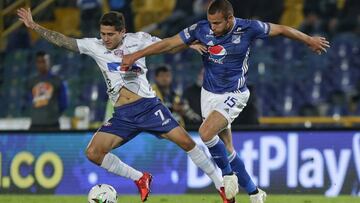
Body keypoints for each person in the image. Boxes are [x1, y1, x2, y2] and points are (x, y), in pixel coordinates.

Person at [17, 8, 234, 203]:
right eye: (103, 33)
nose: (106, 39)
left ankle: (220, 185)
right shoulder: (95, 46)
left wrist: (190, 44)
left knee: (187, 143)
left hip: (149, 107)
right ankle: (140, 178)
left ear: (123, 31)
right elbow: (64, 41)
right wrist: (35, 26)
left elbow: (168, 45)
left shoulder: (139, 40)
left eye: (110, 34)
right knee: (93, 153)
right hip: (123, 115)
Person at [121, 0, 330, 202]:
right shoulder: (200, 29)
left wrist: (309, 40)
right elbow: (168, 44)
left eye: (217, 23)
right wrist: (136, 55)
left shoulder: (248, 28)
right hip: (209, 95)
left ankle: (228, 176)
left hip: (234, 94)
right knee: (228, 149)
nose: (212, 27)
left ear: (229, 19)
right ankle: (255, 193)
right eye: (210, 22)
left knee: (205, 133)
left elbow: (282, 29)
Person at [28, 51, 68, 130]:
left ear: (49, 62)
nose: (41, 65)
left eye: (44, 61)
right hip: (35, 124)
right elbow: (30, 100)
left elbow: (64, 103)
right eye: (39, 62)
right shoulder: (32, 81)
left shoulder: (58, 80)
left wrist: (53, 114)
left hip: (52, 124)